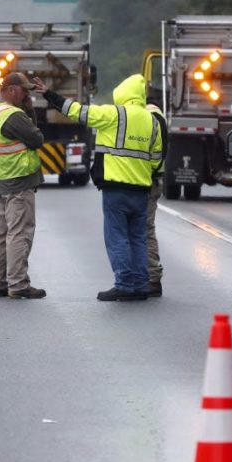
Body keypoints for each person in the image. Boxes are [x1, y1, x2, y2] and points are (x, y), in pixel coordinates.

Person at [34, 74, 163, 301]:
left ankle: (124, 284)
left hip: (117, 188)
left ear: (122, 93)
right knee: (138, 237)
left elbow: (77, 111)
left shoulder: (114, 114)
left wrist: (48, 94)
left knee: (118, 237)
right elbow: (156, 158)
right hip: (142, 189)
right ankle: (141, 284)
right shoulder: (151, 120)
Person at [0, 72, 47, 299]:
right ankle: (18, 284)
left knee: (1, 234)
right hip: (18, 179)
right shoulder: (14, 115)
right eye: (23, 90)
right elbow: (37, 139)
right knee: (19, 232)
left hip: (1, 178)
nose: (26, 95)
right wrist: (30, 111)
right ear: (11, 89)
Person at [145, 102, 168, 297]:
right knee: (145, 229)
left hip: (148, 182)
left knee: (145, 230)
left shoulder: (150, 117)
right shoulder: (159, 117)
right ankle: (149, 277)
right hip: (153, 180)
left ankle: (152, 278)